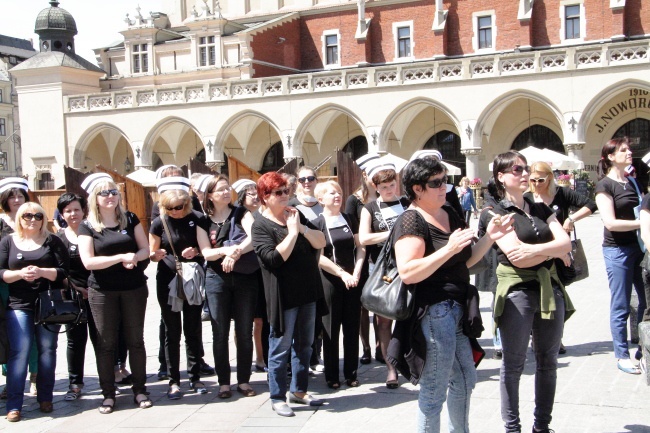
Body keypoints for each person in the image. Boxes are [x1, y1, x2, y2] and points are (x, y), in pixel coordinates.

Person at [390, 157, 512, 433]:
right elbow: (408, 272)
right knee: (434, 392)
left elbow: (465, 261)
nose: (443, 187)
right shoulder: (411, 220)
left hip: (458, 309)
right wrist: (448, 249)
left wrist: (490, 236)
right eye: (436, 183)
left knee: (466, 381)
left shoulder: (448, 211)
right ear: (417, 188)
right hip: (434, 312)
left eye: (444, 180)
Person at [489, 151, 574, 433]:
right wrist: (552, 253)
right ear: (501, 177)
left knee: (548, 361)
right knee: (513, 365)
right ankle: (512, 429)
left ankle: (542, 426)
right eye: (517, 169)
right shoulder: (494, 212)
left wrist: (538, 250)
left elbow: (565, 242)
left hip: (549, 291)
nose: (524, 174)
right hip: (518, 295)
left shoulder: (539, 206)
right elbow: (517, 258)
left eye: (525, 169)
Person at [252, 172, 326, 417]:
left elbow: (320, 241)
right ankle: (277, 396)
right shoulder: (260, 225)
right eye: (278, 192)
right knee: (280, 347)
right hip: (283, 295)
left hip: (307, 290)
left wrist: (301, 228)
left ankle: (299, 390)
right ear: (265, 197)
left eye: (286, 191)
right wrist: (293, 234)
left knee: (305, 345)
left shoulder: (296, 215)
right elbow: (273, 258)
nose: (285, 196)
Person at [78, 173, 152, 414]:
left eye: (113, 192)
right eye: (104, 193)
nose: (110, 196)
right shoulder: (87, 225)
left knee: (135, 341)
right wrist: (121, 257)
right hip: (103, 292)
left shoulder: (129, 218)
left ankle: (140, 390)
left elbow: (145, 249)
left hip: (133, 288)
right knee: (106, 343)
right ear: (94, 198)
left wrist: (135, 257)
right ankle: (108, 394)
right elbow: (88, 262)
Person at [1, 202, 68, 422]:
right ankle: (14, 404)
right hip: (19, 303)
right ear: (19, 218)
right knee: (19, 351)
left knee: (47, 349)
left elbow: (62, 271)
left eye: (37, 216)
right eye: (27, 215)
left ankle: (46, 397)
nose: (32, 219)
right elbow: (1, 272)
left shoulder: (52, 240)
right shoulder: (8, 241)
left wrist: (41, 272)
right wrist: (20, 274)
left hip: (47, 303)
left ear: (43, 219)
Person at [525, 160, 597, 354]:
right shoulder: (527, 198)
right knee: (536, 296)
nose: (537, 184)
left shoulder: (561, 194)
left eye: (541, 179)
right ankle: (536, 337)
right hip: (537, 253)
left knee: (558, 296)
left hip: (559, 254)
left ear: (550, 178)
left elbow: (590, 204)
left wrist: (571, 218)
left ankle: (556, 338)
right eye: (533, 180)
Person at [197, 175, 257, 398]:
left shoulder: (241, 213)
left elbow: (254, 237)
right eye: (220, 190)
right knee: (219, 332)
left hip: (245, 278)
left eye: (227, 189)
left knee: (244, 331)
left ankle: (243, 380)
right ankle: (223, 382)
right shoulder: (204, 221)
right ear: (210, 196)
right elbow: (206, 253)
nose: (226, 192)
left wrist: (236, 252)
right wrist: (226, 251)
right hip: (216, 280)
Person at [149, 178, 208, 399]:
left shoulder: (197, 219)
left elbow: (206, 249)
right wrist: (155, 255)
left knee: (192, 328)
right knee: (172, 330)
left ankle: (195, 377)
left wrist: (196, 252)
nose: (175, 211)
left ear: (187, 204)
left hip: (192, 280)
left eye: (180, 207)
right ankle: (174, 380)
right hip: (167, 279)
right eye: (170, 208)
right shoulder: (159, 222)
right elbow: (152, 251)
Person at [595, 137, 647, 374]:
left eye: (628, 150)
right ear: (610, 157)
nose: (629, 153)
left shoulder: (632, 182)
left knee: (646, 302)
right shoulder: (604, 186)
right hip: (617, 250)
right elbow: (610, 223)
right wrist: (641, 223)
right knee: (621, 304)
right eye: (623, 150)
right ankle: (621, 354)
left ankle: (643, 348)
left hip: (638, 248)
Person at [359, 160, 409, 388]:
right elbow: (364, 238)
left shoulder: (407, 203)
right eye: (385, 186)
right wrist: (391, 233)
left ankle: (411, 360)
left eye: (392, 185)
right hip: (383, 268)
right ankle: (391, 368)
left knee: (411, 315)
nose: (390, 190)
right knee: (384, 320)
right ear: (376, 187)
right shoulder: (370, 208)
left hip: (409, 263)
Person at [313, 180, 365, 389]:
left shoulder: (350, 218)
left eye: (339, 193)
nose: (337, 196)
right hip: (331, 281)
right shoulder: (317, 224)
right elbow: (318, 256)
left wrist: (358, 270)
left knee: (352, 327)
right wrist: (342, 274)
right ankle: (332, 375)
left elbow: (360, 247)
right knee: (331, 329)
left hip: (353, 280)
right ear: (321, 199)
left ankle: (351, 373)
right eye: (332, 193)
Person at [57, 193, 98, 401]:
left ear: (84, 211)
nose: (73, 214)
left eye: (76, 209)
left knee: (102, 339)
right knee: (75, 341)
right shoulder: (58, 238)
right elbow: (57, 270)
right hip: (73, 296)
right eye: (68, 210)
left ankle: (108, 380)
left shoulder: (93, 231)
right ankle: (75, 384)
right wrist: (74, 288)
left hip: (98, 293)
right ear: (62, 214)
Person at [0, 178, 38, 399]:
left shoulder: (32, 219)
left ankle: (35, 376)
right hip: (4, 284)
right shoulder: (0, 222)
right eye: (12, 196)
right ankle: (11, 379)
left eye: (20, 196)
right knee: (6, 333)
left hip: (30, 285)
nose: (16, 200)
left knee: (30, 331)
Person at [288, 166, 325, 371]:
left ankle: (315, 355)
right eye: (302, 180)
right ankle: (302, 359)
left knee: (317, 316)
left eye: (310, 178)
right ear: (297, 182)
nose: (306, 182)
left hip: (322, 264)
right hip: (301, 266)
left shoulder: (322, 204)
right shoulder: (292, 206)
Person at [345, 153, 379, 365]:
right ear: (365, 175)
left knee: (381, 304)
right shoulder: (354, 200)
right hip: (363, 256)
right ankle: (366, 346)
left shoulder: (386, 197)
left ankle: (381, 347)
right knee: (363, 306)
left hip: (383, 256)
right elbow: (351, 231)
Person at [232, 178, 268, 372]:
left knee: (260, 320)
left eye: (257, 193)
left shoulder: (264, 214)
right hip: (244, 272)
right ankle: (243, 358)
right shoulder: (237, 217)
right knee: (242, 320)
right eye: (250, 193)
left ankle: (261, 358)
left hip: (262, 272)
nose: (255, 196)